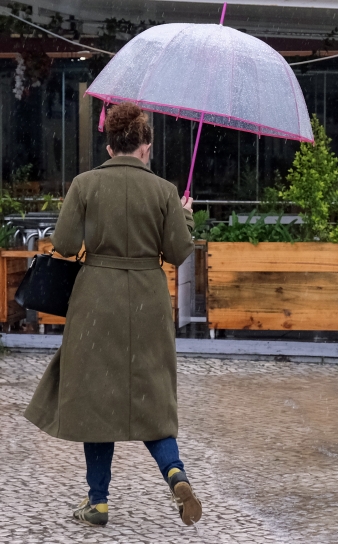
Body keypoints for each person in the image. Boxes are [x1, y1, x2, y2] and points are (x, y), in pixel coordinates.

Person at [23, 102, 201, 527]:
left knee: (97, 400)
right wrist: (184, 217)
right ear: (145, 146)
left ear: (109, 146)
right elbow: (178, 252)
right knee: (152, 395)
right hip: (147, 300)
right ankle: (174, 472)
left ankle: (98, 501)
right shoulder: (163, 191)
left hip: (95, 299)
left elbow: (64, 245)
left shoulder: (85, 184)